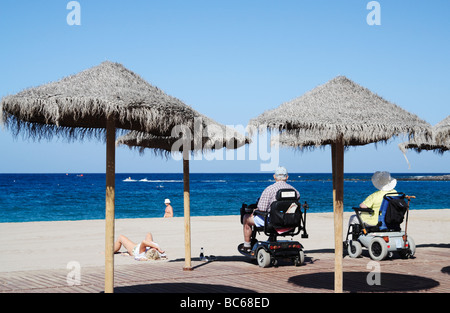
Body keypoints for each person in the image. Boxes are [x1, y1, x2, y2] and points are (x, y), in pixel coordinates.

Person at [241, 166, 300, 252]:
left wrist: (255, 210)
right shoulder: (295, 191)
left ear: (274, 176)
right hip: (289, 221)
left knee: (246, 218)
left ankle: (247, 246)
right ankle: (271, 240)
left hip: (272, 221)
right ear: (287, 177)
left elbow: (262, 208)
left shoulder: (269, 190)